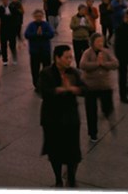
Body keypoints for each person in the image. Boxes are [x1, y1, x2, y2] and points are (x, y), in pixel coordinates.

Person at [39, 45, 86, 188]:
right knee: (55, 152)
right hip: (52, 118)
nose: (69, 60)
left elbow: (85, 89)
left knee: (73, 152)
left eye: (71, 57)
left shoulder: (74, 72)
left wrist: (74, 89)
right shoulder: (46, 73)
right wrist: (58, 90)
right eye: (67, 57)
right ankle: (58, 179)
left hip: (70, 118)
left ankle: (71, 178)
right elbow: (43, 91)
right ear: (57, 58)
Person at [80, 33, 118, 142]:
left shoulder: (106, 52)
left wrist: (104, 64)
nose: (100, 44)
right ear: (92, 43)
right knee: (91, 111)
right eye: (98, 42)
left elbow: (115, 63)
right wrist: (97, 64)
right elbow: (82, 65)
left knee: (108, 108)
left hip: (105, 86)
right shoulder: (87, 53)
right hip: (90, 87)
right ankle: (93, 133)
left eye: (102, 41)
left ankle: (109, 119)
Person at [24, 9, 54, 91]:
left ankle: (46, 84)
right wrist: (35, 34)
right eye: (37, 16)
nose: (38, 18)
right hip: (35, 51)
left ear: (42, 16)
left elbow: (51, 34)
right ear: (34, 17)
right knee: (35, 69)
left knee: (47, 69)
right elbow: (26, 35)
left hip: (45, 51)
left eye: (40, 16)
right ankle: (37, 85)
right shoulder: (31, 25)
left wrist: (43, 34)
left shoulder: (46, 25)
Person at [0, 0, 18, 66]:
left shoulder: (12, 7)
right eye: (3, 0)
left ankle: (14, 58)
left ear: (8, 0)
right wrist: (6, 16)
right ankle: (5, 60)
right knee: (3, 45)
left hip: (11, 29)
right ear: (1, 0)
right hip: (3, 30)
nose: (5, 1)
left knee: (13, 45)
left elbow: (15, 16)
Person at [70, 4, 91, 68]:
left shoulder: (87, 17)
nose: (83, 11)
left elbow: (90, 26)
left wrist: (85, 25)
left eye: (84, 10)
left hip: (85, 38)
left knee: (86, 53)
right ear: (79, 10)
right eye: (82, 10)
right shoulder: (74, 17)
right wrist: (78, 25)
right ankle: (78, 66)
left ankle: (85, 65)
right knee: (77, 54)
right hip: (76, 39)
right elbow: (71, 26)